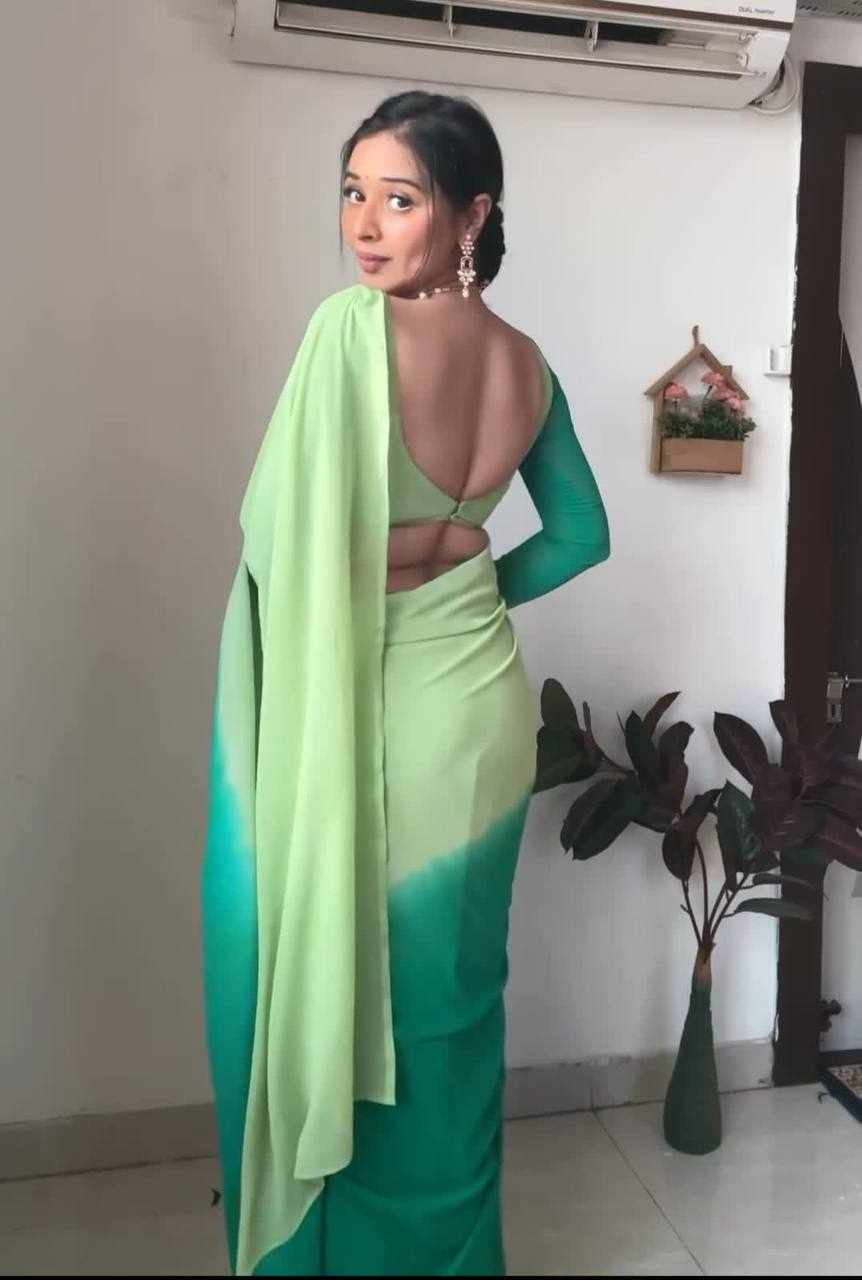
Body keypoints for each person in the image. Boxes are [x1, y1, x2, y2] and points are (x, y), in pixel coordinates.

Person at [200, 90, 611, 1277]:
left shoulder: (349, 330)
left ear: (470, 214)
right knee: (450, 995)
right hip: (475, 706)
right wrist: (464, 584)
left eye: (399, 198)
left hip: (367, 692)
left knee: (334, 967)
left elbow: (278, 544)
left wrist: (392, 592)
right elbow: (581, 536)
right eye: (352, 192)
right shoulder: (527, 364)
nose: (364, 225)